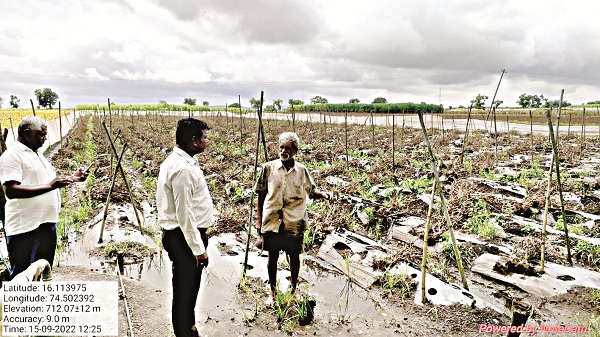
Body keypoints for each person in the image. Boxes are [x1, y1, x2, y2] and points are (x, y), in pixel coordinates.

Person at [0, 116, 87, 279]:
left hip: (46, 225)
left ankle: (40, 303)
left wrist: (74, 178)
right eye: (41, 134)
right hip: (25, 229)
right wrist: (51, 186)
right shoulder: (12, 156)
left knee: (43, 272)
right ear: (26, 133)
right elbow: (11, 190)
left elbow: (45, 182)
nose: (45, 138)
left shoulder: (37, 154)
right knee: (23, 277)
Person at [255, 131, 331, 306]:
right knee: (272, 257)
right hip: (273, 221)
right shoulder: (268, 168)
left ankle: (294, 290)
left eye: (288, 148)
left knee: (294, 258)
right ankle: (272, 293)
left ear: (295, 151)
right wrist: (259, 220)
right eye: (281, 147)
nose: (284, 151)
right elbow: (260, 194)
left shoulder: (302, 170)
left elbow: (311, 192)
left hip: (294, 222)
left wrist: (324, 194)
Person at [156, 118, 214, 337]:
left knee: (186, 289)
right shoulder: (182, 169)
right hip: (184, 238)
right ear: (194, 140)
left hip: (182, 236)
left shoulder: (181, 161)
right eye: (204, 137)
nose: (206, 141)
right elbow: (184, 214)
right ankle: (185, 332)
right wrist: (198, 249)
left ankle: (187, 328)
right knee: (185, 290)